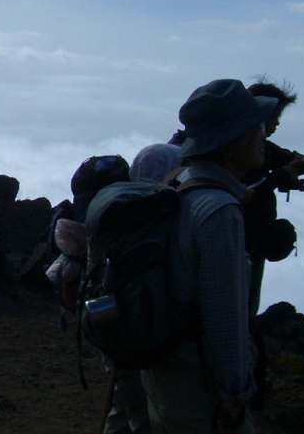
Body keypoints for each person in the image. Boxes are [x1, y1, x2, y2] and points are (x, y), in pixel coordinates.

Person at [141, 79, 273, 434]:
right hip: (199, 385)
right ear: (231, 145)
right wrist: (236, 392)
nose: (263, 134)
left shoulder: (178, 183)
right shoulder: (218, 211)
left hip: (166, 373)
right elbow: (225, 315)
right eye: (256, 127)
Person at [100, 143, 185, 434]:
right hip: (151, 331)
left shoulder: (116, 208)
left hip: (113, 328)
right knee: (145, 417)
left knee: (121, 407)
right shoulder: (166, 214)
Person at [242, 80, 304, 316]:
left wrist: (302, 163)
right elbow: (243, 192)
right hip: (241, 241)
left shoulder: (263, 148)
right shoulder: (237, 149)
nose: (276, 123)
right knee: (239, 305)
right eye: (274, 116)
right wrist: (281, 176)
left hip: (254, 242)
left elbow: (296, 159)